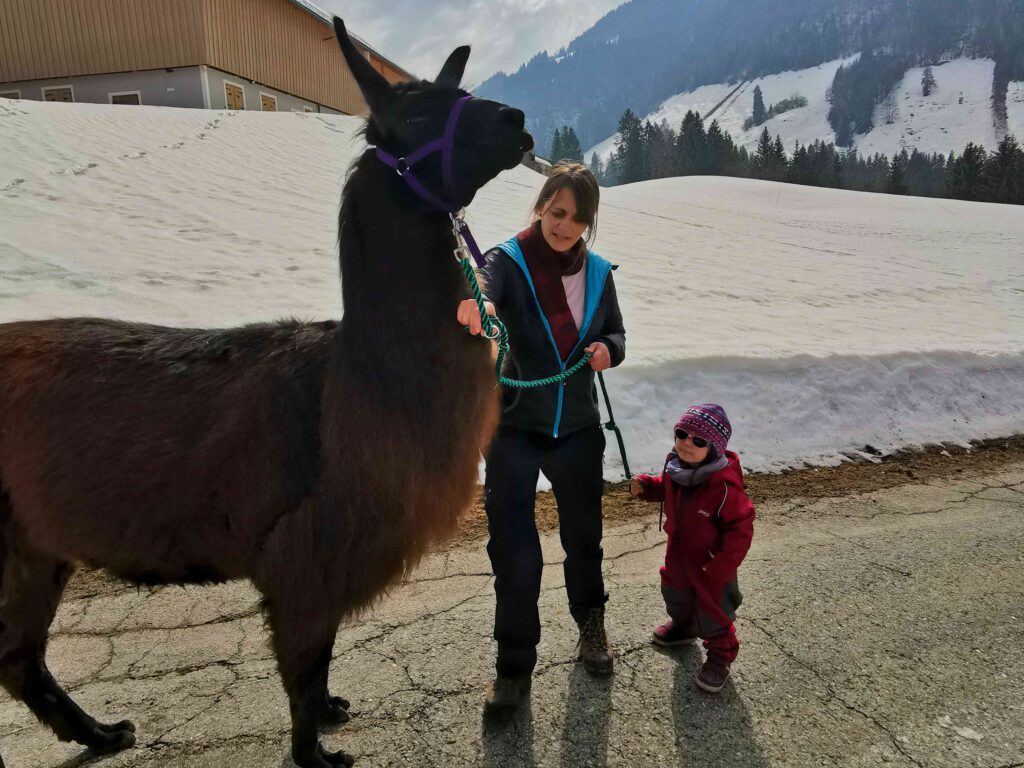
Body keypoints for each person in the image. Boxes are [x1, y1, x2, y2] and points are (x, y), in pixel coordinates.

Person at [456, 162, 626, 716]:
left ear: (589, 223)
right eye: (557, 212)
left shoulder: (599, 272)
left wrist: (609, 350)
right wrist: (475, 304)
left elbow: (616, 332)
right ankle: (513, 668)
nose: (565, 226)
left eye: (577, 219)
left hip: (577, 427)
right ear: (542, 206)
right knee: (515, 552)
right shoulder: (508, 260)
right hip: (512, 430)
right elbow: (483, 283)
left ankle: (591, 627)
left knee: (584, 538)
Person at [629, 404, 755, 693]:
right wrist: (648, 487)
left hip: (711, 563)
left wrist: (723, 564)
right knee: (675, 591)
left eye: (699, 441)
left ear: (714, 448)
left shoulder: (723, 486)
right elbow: (667, 487)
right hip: (679, 552)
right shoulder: (676, 467)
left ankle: (720, 656)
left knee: (713, 609)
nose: (687, 443)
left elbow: (741, 527)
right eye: (682, 434)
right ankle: (684, 626)